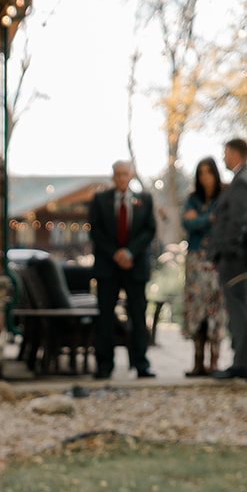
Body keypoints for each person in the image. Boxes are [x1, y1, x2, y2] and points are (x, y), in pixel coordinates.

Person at [88, 160, 158, 379]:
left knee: (137, 315)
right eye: (117, 174)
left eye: (125, 174)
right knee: (105, 317)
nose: (121, 178)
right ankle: (104, 365)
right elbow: (95, 231)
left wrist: (129, 253)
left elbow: (149, 230)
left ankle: (141, 364)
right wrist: (115, 254)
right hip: (107, 267)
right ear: (113, 176)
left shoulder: (144, 200)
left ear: (131, 175)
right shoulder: (100, 200)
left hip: (135, 266)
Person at [180, 157, 226, 377]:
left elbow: (222, 223)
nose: (205, 177)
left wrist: (200, 219)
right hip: (195, 261)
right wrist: (209, 218)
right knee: (196, 308)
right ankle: (198, 361)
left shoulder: (223, 196)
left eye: (208, 172)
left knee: (215, 309)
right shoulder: (192, 199)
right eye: (201, 173)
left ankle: (214, 361)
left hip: (216, 259)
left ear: (215, 174)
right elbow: (187, 223)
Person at [208, 138, 247, 381]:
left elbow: (238, 220)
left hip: (236, 261)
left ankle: (241, 363)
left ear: (235, 153)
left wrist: (227, 251)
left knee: (239, 312)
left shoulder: (242, 181)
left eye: (225, 153)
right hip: (237, 258)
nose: (223, 158)